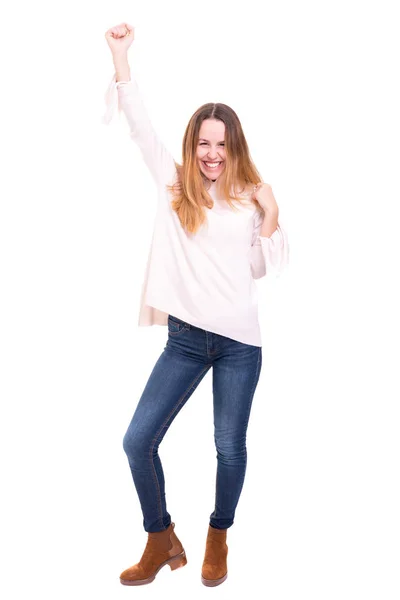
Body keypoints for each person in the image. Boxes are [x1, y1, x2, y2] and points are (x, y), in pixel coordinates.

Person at [103, 22, 289, 587]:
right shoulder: (175, 181)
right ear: (193, 146)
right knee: (138, 440)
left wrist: (272, 216)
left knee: (228, 448)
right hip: (184, 338)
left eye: (221, 143)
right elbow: (139, 127)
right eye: (204, 142)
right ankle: (161, 538)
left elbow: (264, 268)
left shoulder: (249, 198)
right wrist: (120, 56)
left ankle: (217, 537)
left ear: (234, 146)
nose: (212, 153)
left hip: (239, 344)